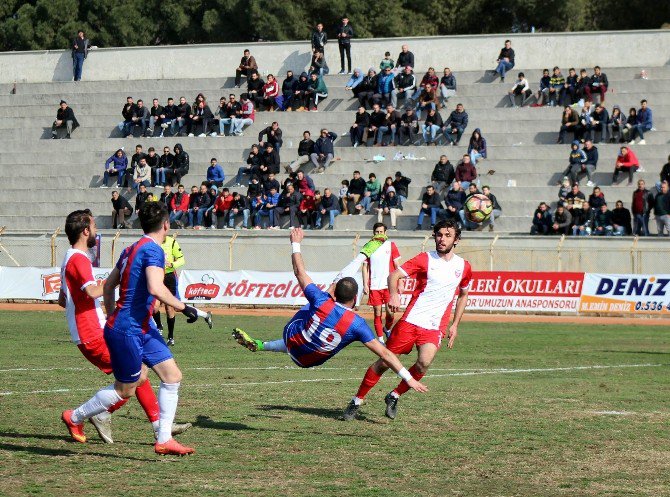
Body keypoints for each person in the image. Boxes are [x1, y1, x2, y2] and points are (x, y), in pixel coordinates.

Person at [61, 203, 207, 455]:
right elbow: (155, 288)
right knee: (127, 386)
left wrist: (109, 316)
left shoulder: (130, 249)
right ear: (166, 225)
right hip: (128, 328)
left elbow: (108, 287)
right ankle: (76, 416)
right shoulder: (154, 250)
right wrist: (186, 308)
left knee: (172, 376)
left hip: (139, 326)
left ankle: (163, 438)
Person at [233, 228, 426, 400]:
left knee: (315, 305)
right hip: (310, 360)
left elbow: (299, 272)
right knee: (318, 318)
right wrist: (408, 378)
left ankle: (360, 257)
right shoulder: (357, 324)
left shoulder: (322, 300)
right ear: (355, 300)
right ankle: (261, 345)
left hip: (294, 340)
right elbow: (385, 353)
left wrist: (296, 244)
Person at [345, 219, 471, 420]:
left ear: (456, 240)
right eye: (439, 235)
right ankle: (357, 400)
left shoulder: (463, 266)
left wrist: (455, 324)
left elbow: (463, 294)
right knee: (384, 363)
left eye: (448, 235)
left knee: (424, 363)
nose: (442, 239)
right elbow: (393, 275)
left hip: (435, 326)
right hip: (411, 321)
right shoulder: (424, 259)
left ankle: (394, 395)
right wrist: (394, 294)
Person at [362, 223, 401, 341]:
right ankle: (380, 340)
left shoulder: (391, 245)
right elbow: (365, 267)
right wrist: (365, 284)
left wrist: (399, 282)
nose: (379, 234)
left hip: (389, 285)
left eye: (381, 232)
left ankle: (387, 329)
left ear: (385, 233)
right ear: (373, 233)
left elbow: (397, 266)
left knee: (390, 313)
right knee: (377, 312)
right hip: (374, 285)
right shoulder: (368, 246)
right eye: (377, 232)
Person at [151, 235, 185, 346]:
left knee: (169, 307)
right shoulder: (153, 241)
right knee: (154, 306)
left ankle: (171, 336)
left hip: (169, 275)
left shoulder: (172, 242)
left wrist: (173, 264)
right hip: (156, 275)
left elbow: (182, 259)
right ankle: (159, 326)